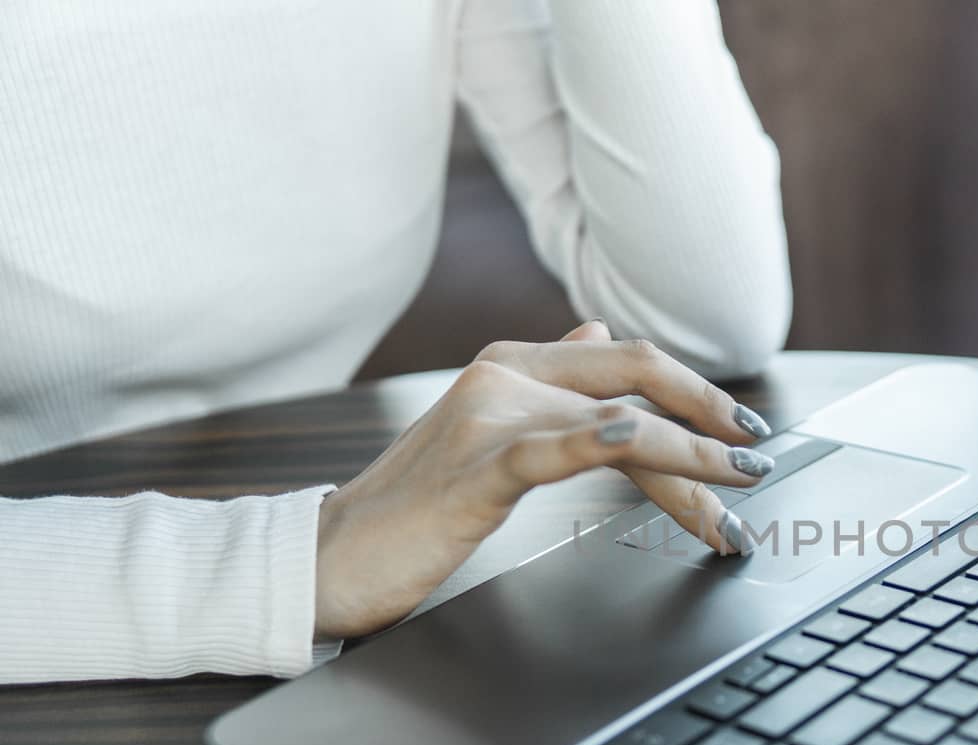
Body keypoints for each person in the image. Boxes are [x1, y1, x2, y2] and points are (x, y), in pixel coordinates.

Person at [0, 1, 792, 686]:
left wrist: (315, 555)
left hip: (317, 623)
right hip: (69, 649)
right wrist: (290, 564)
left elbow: (705, 317)